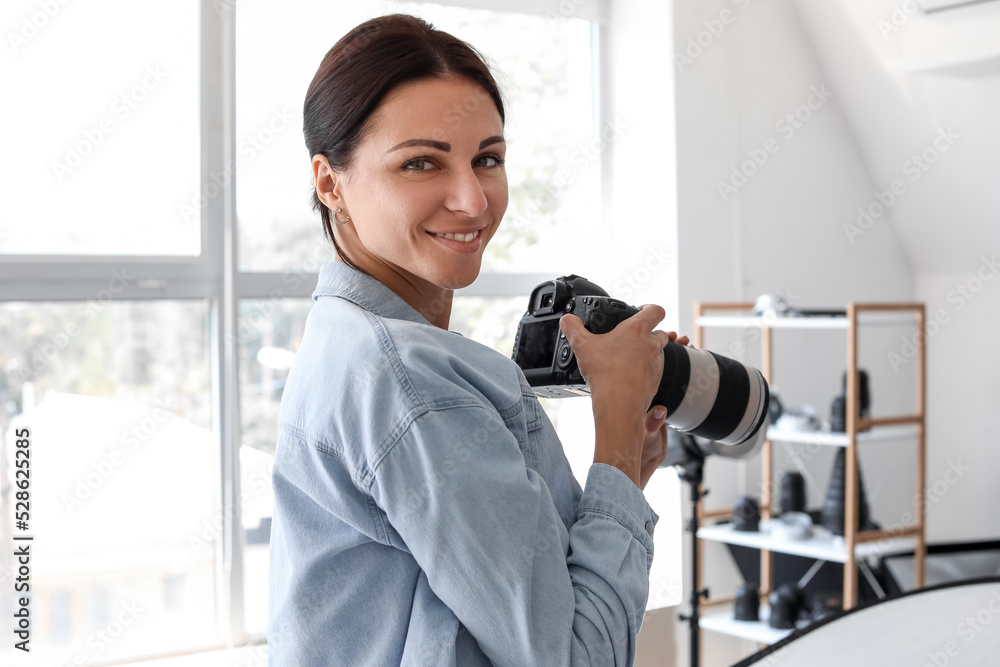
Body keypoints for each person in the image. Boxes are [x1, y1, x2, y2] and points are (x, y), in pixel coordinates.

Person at [268, 14, 687, 666]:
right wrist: (615, 436)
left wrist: (626, 464)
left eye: (487, 159)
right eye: (421, 163)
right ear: (330, 182)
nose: (472, 200)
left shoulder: (346, 338)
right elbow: (576, 658)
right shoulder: (411, 379)